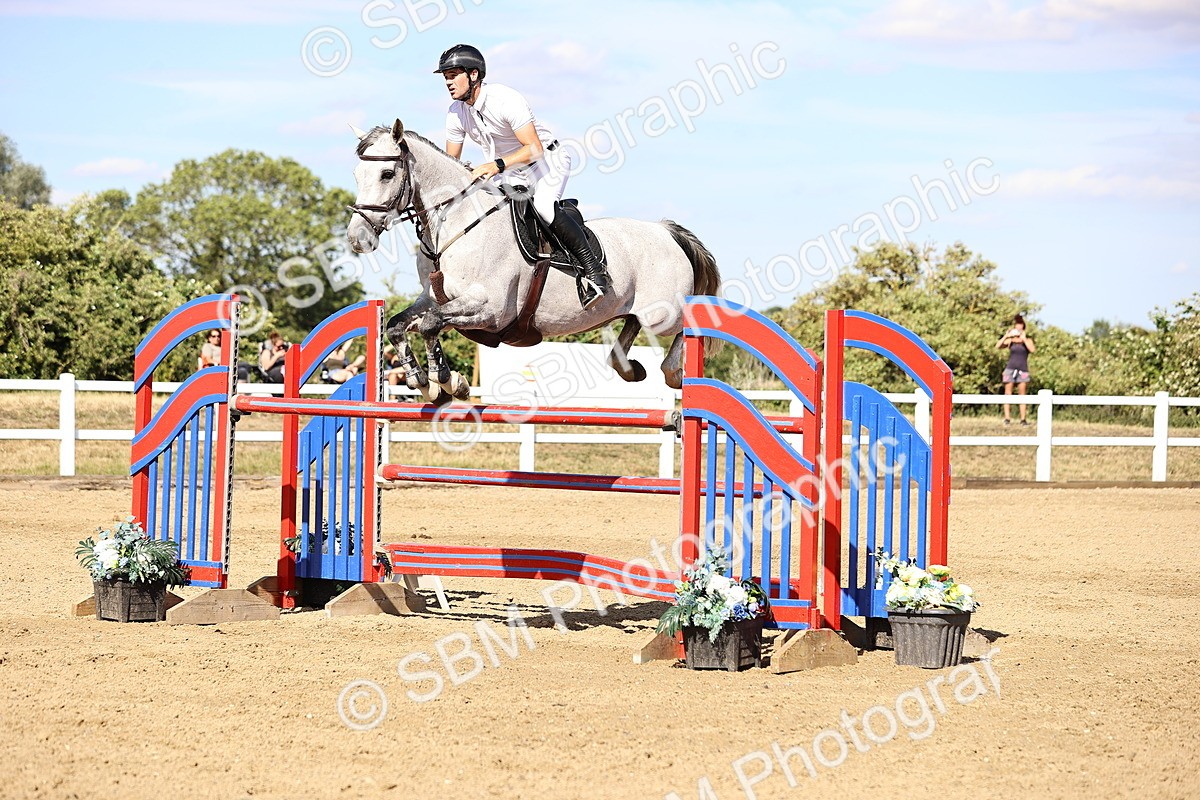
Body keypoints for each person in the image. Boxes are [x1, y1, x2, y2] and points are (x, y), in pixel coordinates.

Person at [434, 43, 612, 308]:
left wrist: (495, 165)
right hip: (508, 171)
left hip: (546, 161)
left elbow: (534, 148)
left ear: (473, 75)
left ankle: (594, 272)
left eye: (453, 75)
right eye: (446, 77)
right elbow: (452, 162)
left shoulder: (505, 100)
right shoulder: (456, 113)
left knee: (543, 208)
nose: (448, 82)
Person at [997, 314, 1036, 425]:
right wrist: (1006, 336)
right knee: (1008, 393)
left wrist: (1023, 339)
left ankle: (1023, 419)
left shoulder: (1027, 340)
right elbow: (998, 346)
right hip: (1010, 368)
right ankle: (1007, 418)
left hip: (1022, 369)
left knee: (1022, 395)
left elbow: (1032, 349)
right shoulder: (1011, 341)